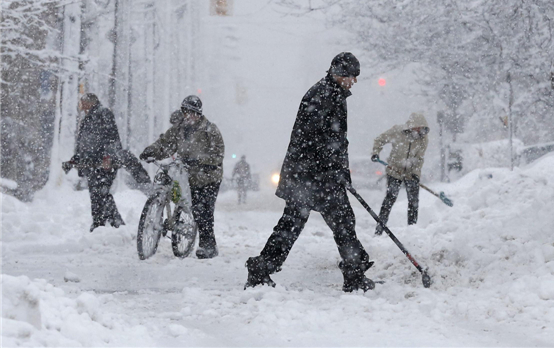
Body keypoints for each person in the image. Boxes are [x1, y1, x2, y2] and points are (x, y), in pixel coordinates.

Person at [245, 52, 375, 293]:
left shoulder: (331, 93)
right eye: (353, 76)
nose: (354, 81)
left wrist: (341, 170)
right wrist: (332, 169)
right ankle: (354, 275)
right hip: (313, 177)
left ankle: (261, 268)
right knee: (341, 223)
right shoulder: (323, 95)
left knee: (294, 224)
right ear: (341, 74)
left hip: (311, 176)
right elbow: (315, 140)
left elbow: (335, 141)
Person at [139, 96, 225, 259]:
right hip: (188, 173)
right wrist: (151, 150)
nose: (188, 116)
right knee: (175, 191)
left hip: (208, 177)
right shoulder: (178, 129)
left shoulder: (210, 130)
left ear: (198, 113)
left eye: (192, 113)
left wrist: (200, 160)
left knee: (203, 211)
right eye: (185, 112)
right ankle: (172, 213)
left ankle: (208, 245)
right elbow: (164, 143)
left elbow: (218, 155)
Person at [62, 93, 128, 232]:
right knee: (95, 194)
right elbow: (84, 144)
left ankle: (115, 223)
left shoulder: (103, 113)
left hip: (104, 163)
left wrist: (107, 158)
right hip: (92, 164)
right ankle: (100, 224)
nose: (81, 105)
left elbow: (112, 137)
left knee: (102, 192)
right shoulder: (88, 118)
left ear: (90, 102)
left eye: (83, 102)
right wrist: (75, 159)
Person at [371, 112, 429, 234]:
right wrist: (376, 152)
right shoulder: (397, 131)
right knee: (390, 198)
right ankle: (380, 228)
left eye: (421, 128)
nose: (418, 131)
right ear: (411, 126)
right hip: (394, 170)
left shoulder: (423, 139)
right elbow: (380, 139)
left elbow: (419, 159)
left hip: (411, 173)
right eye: (416, 127)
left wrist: (415, 174)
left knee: (413, 201)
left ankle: (411, 230)